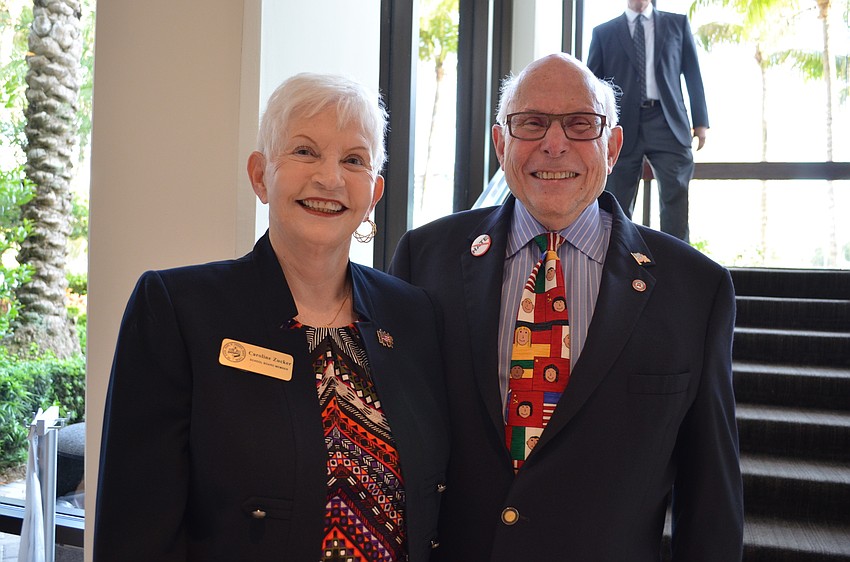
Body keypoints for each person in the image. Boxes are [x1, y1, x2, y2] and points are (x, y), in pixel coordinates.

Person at [389, 53, 742, 561]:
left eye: (581, 124)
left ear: (613, 146)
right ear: (500, 143)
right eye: (531, 123)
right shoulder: (426, 259)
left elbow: (711, 496)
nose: (554, 144)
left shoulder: (694, 289)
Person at [94, 73, 449, 561]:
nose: (330, 178)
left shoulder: (412, 316)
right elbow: (136, 529)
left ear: (375, 192)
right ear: (261, 175)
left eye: (354, 160)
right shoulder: (178, 310)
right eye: (305, 152)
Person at [587, 0, 708, 242]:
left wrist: (701, 122)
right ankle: (618, 261)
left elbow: (693, 73)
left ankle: (676, 264)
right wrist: (591, 128)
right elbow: (591, 85)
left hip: (667, 121)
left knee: (676, 195)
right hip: (621, 125)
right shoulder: (604, 33)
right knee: (616, 200)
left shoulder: (677, 24)